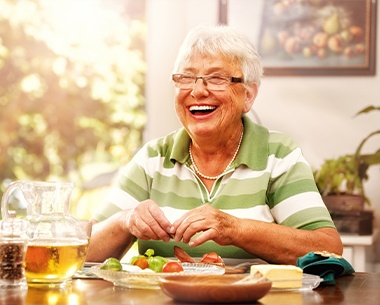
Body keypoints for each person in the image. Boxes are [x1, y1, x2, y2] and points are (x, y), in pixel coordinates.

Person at [87, 24, 343, 265]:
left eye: (217, 78)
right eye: (186, 77)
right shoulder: (153, 158)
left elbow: (327, 248)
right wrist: (124, 221)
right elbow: (83, 249)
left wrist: (235, 229)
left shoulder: (278, 156)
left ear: (248, 95)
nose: (198, 91)